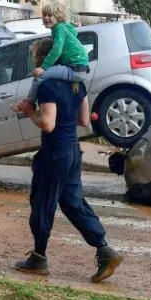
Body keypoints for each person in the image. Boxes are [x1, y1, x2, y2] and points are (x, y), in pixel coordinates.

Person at [11, 38, 123, 282]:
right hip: (73, 150)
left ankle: (38, 258)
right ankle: (104, 249)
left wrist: (30, 112)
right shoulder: (77, 84)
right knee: (73, 202)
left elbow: (48, 124)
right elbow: (84, 121)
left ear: (44, 59)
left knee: (42, 202)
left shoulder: (47, 85)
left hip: (54, 152)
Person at [20, 1, 89, 106]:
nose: (46, 18)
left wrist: (43, 67)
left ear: (58, 16)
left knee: (40, 76)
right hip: (80, 67)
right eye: (44, 15)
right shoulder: (64, 27)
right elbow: (74, 34)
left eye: (49, 15)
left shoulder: (59, 29)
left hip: (74, 68)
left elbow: (57, 50)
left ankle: (29, 103)